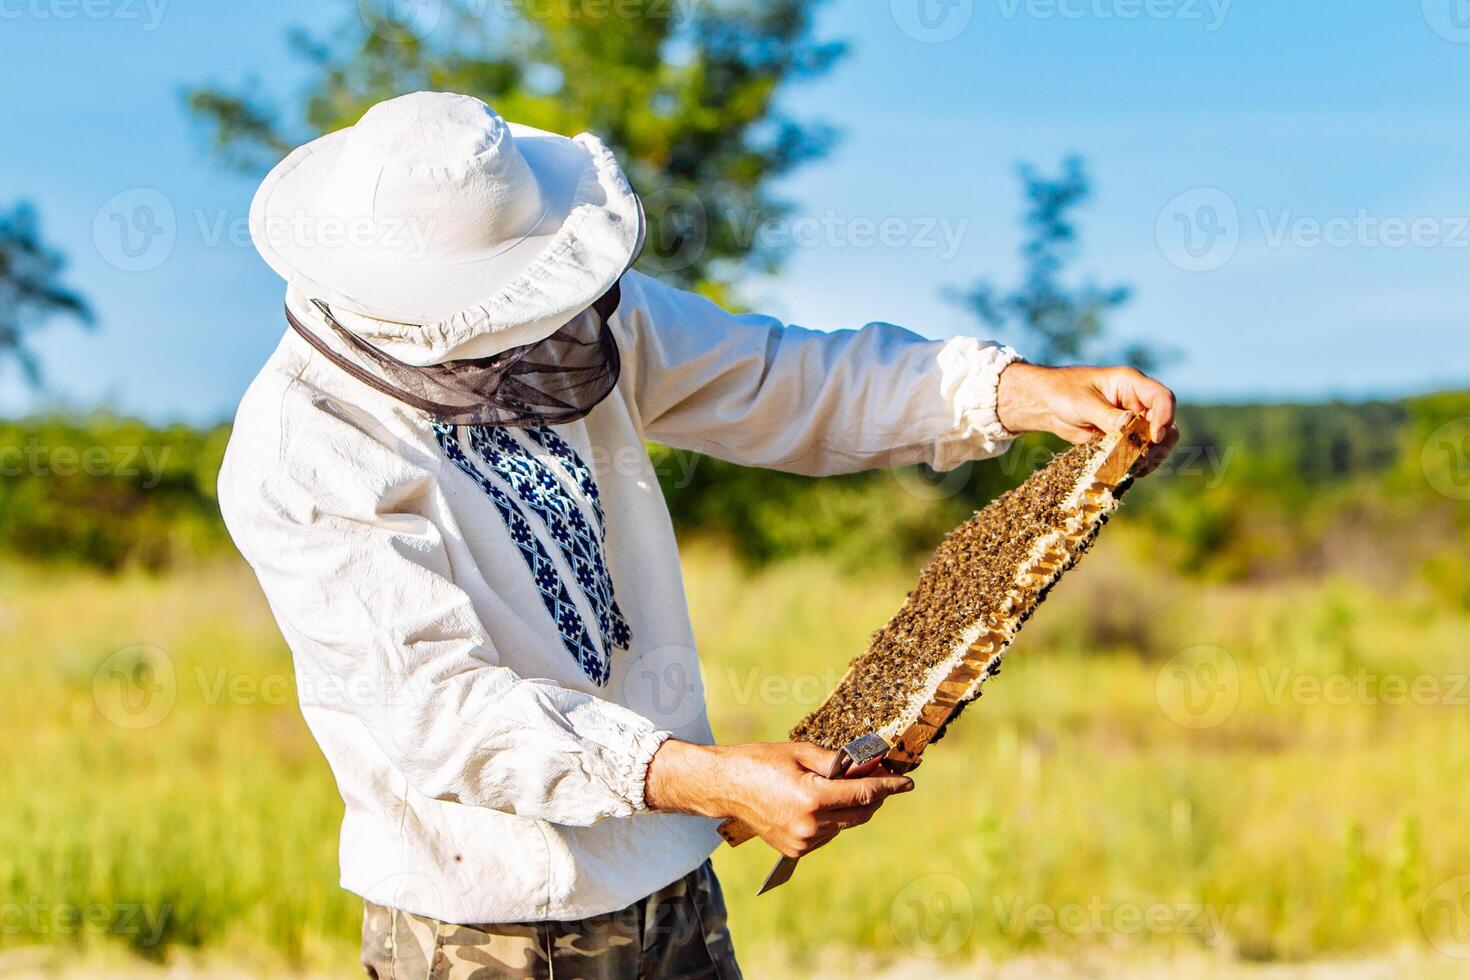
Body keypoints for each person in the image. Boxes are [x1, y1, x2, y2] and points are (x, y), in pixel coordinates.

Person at [219, 91, 1177, 979]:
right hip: (487, 921)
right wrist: (707, 778)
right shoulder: (304, 449)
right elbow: (444, 713)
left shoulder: (572, 324)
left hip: (667, 878)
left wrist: (1012, 391)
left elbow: (780, 379)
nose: (531, 333)